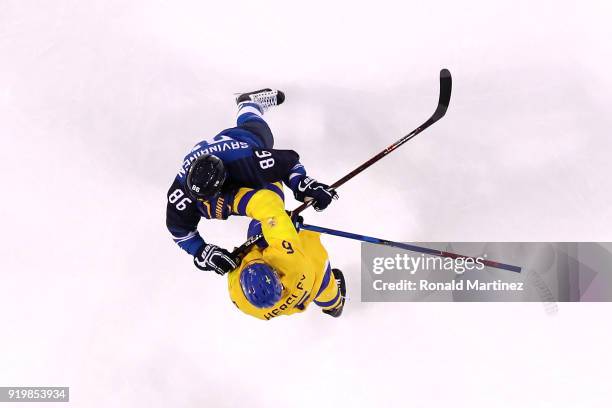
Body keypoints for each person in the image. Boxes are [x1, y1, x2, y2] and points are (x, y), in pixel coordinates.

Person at [166, 89, 338, 275]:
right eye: (199, 198)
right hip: (223, 161)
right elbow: (179, 230)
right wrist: (201, 251)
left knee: (262, 136)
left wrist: (302, 184)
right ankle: (247, 104)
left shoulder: (248, 161)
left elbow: (288, 163)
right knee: (259, 202)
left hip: (244, 140)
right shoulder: (181, 193)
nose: (205, 202)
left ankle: (247, 103)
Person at [226, 186, 346, 320]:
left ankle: (333, 306)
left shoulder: (244, 304)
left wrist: (237, 257)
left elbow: (232, 272)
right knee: (324, 283)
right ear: (276, 275)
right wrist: (286, 223)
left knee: (258, 231)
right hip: (312, 276)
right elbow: (273, 216)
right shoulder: (292, 261)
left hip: (296, 303)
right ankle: (335, 306)